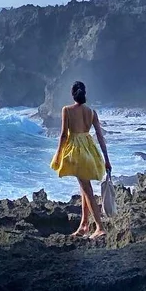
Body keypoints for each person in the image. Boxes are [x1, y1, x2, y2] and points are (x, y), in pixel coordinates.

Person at [49, 80, 111, 239]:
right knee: (84, 186)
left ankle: (99, 227)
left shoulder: (67, 110)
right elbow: (100, 136)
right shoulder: (91, 112)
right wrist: (106, 158)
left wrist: (58, 154)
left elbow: (64, 135)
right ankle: (84, 224)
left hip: (76, 151)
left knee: (87, 189)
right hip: (89, 150)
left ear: (72, 94)